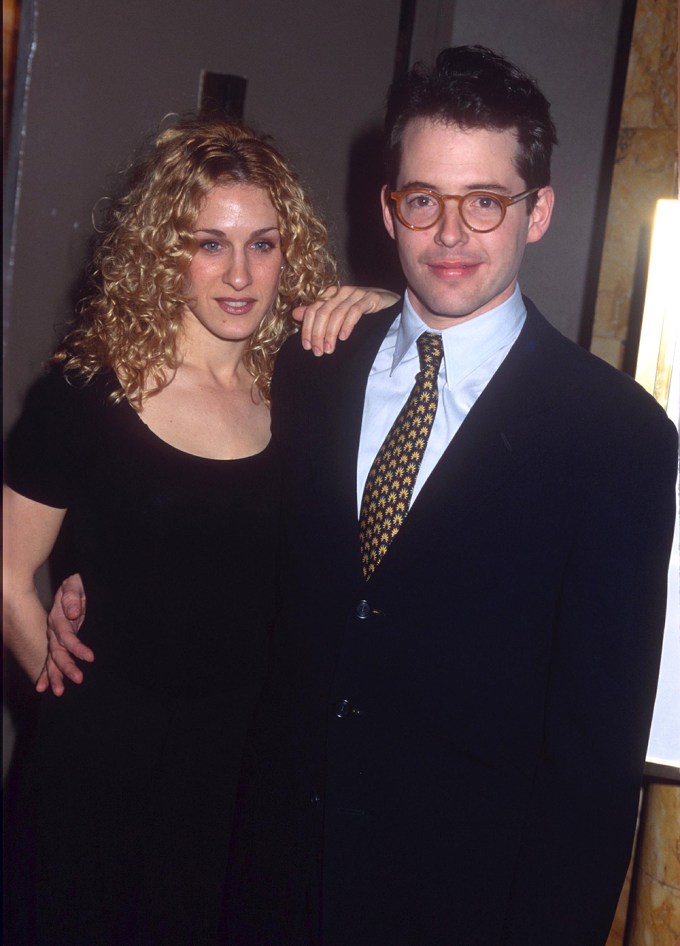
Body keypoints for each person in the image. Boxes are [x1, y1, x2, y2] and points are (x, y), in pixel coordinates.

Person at [215, 46, 678, 945]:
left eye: (485, 202)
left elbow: (594, 753)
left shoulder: (616, 437)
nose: (451, 235)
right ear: (389, 207)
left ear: (537, 211)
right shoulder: (315, 369)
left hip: (461, 902)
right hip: (275, 883)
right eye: (423, 199)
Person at [2, 115, 396, 946]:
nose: (240, 275)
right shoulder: (87, 390)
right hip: (97, 781)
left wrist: (385, 300)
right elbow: (5, 571)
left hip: (247, 776)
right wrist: (58, 688)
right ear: (161, 251)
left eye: (263, 243)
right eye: (209, 244)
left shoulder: (306, 387)